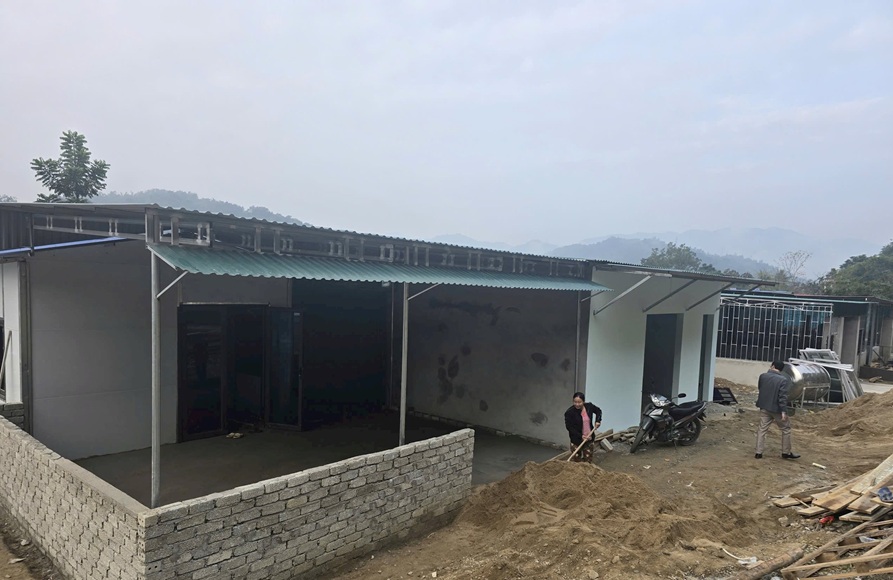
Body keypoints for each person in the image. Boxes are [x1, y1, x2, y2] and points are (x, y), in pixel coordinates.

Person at [754, 360, 800, 460]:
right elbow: (782, 397)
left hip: (764, 407)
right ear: (781, 369)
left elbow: (761, 389)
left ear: (772, 366)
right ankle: (785, 452)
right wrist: (783, 411)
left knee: (762, 429)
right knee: (786, 429)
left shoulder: (763, 376)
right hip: (777, 409)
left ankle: (758, 452)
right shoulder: (783, 380)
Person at [564, 392, 603, 462]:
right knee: (576, 461)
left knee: (588, 460)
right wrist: (581, 436)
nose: (577, 404)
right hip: (576, 440)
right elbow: (569, 427)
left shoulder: (589, 407)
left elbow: (598, 411)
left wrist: (598, 420)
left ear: (583, 401)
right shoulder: (569, 412)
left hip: (589, 438)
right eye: (575, 402)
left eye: (579, 402)